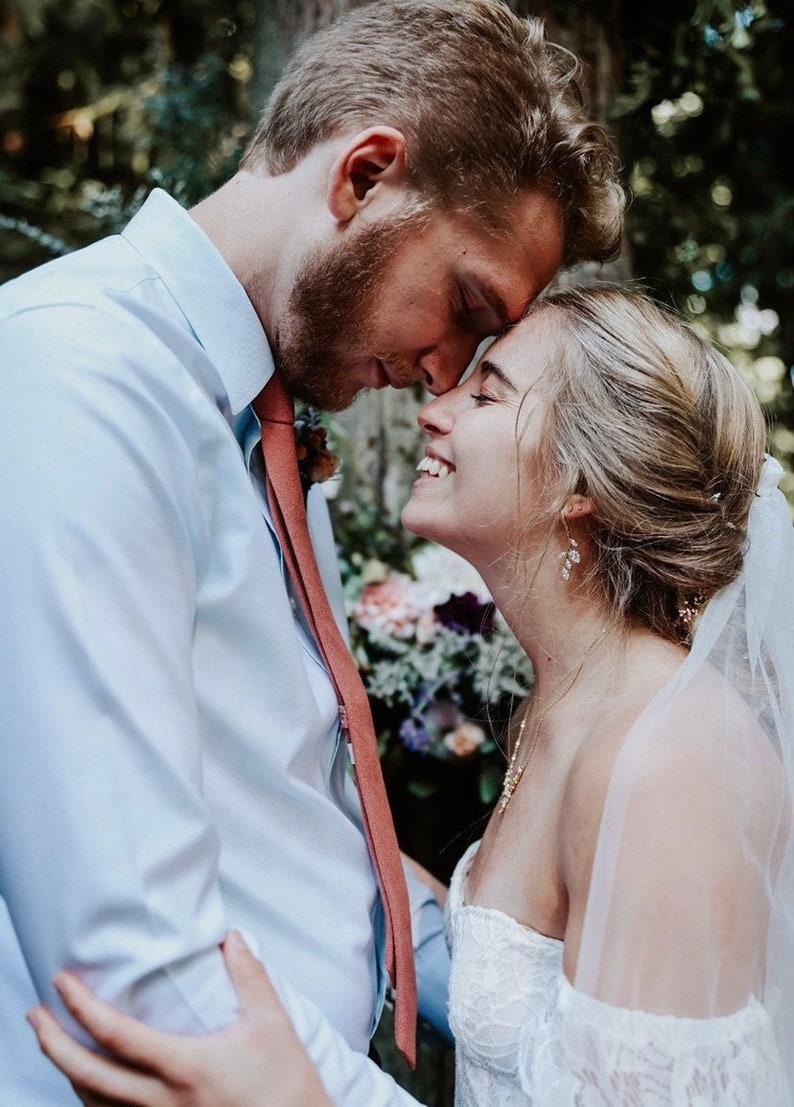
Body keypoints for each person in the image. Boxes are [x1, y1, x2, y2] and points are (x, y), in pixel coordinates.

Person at [0, 0, 625, 1103]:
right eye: (465, 304)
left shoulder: (269, 411)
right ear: (364, 175)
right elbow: (135, 970)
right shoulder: (76, 384)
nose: (443, 378)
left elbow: (298, 807)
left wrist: (532, 1013)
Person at [32, 285, 794, 1105]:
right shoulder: (563, 711)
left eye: (488, 390)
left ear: (582, 480)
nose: (437, 406)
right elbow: (509, 969)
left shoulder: (670, 761)